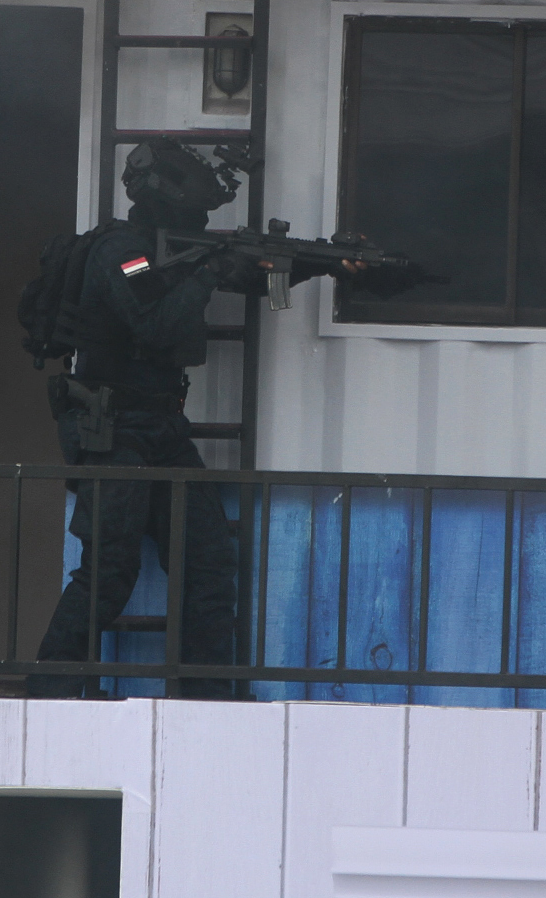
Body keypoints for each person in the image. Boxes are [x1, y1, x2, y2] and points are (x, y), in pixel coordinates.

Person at [27, 141, 358, 698]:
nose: (203, 218)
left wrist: (317, 263)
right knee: (109, 570)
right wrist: (212, 271)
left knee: (208, 562)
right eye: (197, 207)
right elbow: (154, 323)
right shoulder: (123, 252)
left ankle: (204, 698)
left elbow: (249, 278)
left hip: (162, 429)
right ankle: (49, 692)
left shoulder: (175, 250)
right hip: (114, 430)